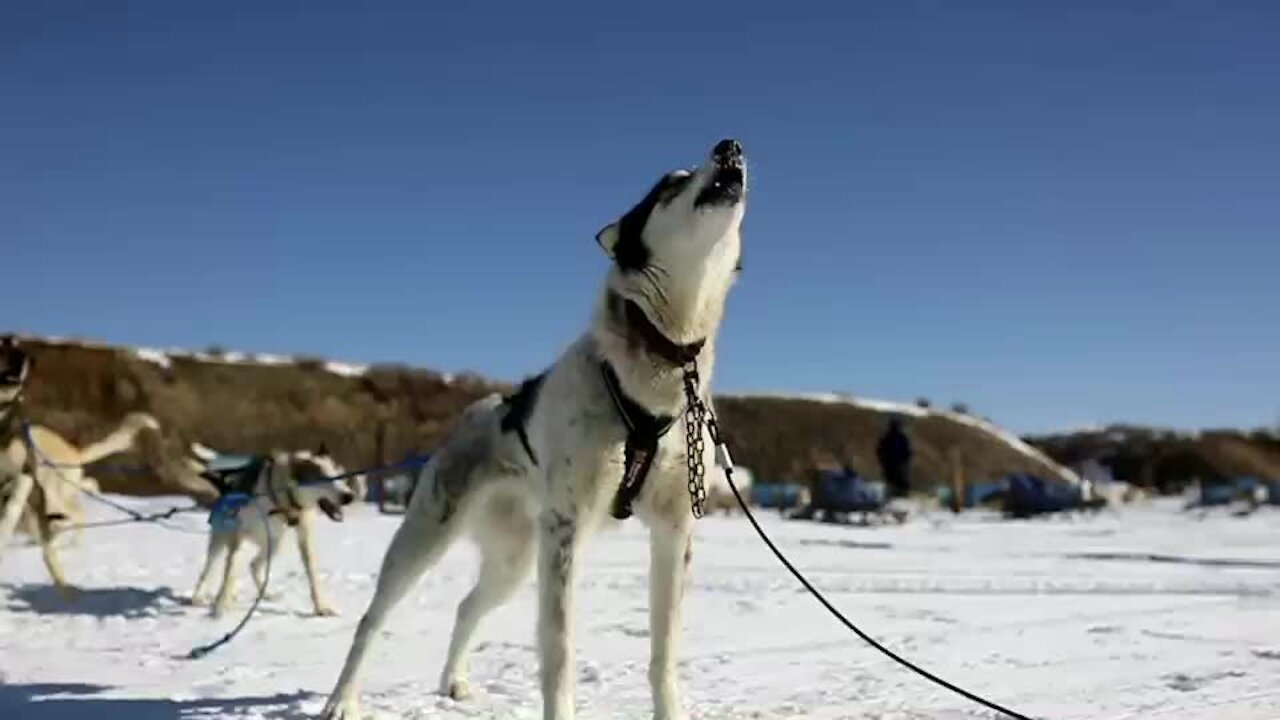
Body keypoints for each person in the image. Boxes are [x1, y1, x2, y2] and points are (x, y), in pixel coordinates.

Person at [876, 417, 913, 500]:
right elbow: (908, 452)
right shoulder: (899, 438)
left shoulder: (887, 438)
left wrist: (883, 462)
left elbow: (879, 451)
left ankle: (894, 500)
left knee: (894, 484)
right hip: (895, 466)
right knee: (897, 484)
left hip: (892, 465)